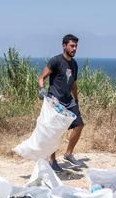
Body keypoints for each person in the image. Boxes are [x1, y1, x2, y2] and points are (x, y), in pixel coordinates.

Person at [38, 34, 84, 172]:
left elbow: (73, 83)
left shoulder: (74, 64)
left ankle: (68, 154)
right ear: (64, 46)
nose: (74, 48)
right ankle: (52, 161)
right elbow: (41, 78)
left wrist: (76, 99)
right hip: (55, 101)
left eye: (76, 46)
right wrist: (42, 90)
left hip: (69, 101)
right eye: (72, 46)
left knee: (79, 125)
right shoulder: (56, 61)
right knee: (54, 132)